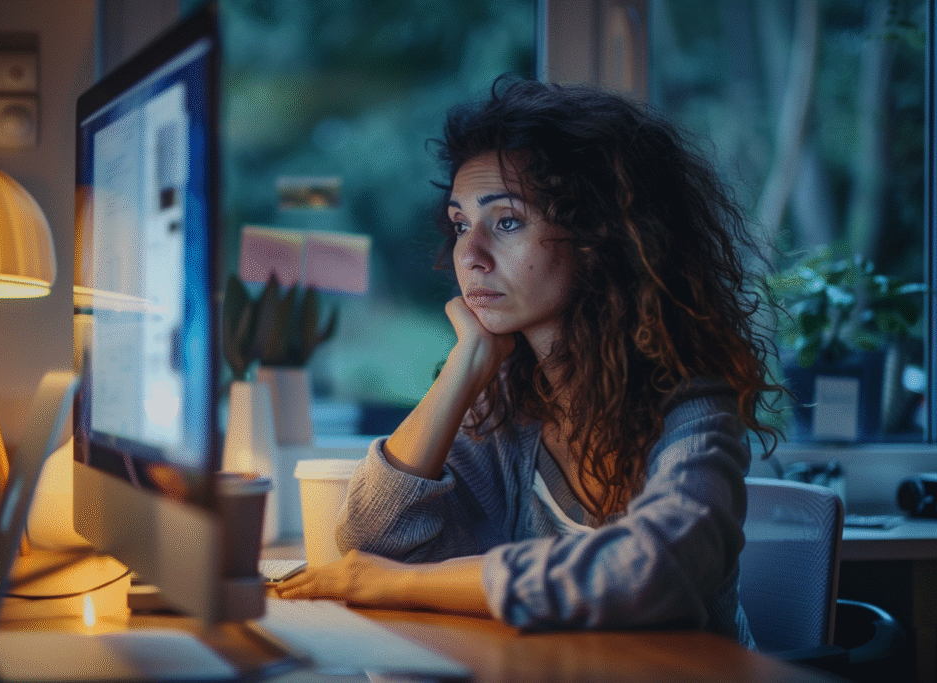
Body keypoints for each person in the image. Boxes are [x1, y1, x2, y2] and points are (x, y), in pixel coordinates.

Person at [275, 76, 783, 647]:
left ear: (600, 237)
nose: (469, 254)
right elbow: (368, 543)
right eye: (462, 223)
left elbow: (651, 574)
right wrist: (467, 363)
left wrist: (407, 583)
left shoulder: (694, 408)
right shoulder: (508, 403)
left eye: (507, 221)